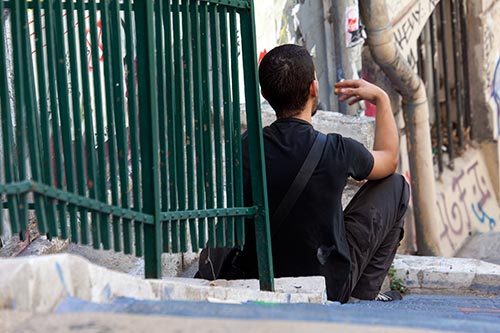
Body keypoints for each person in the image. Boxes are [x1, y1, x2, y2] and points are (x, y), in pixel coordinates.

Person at [236, 44, 410, 303]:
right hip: (329, 284)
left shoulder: (245, 146)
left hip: (262, 275)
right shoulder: (337, 150)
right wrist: (382, 99)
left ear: (264, 93)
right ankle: (362, 297)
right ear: (313, 89)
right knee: (396, 187)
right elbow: (389, 159)